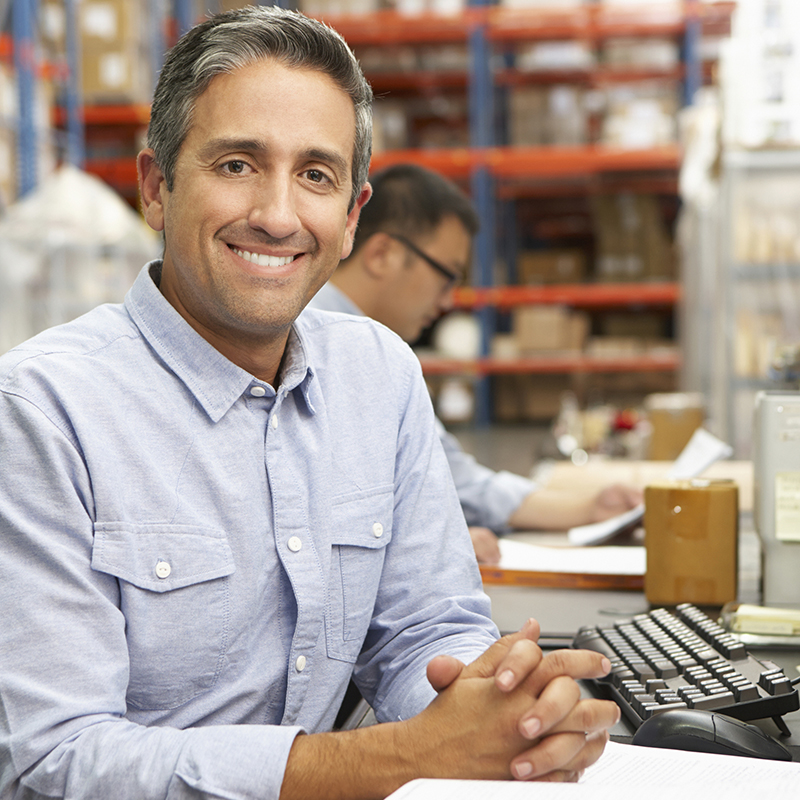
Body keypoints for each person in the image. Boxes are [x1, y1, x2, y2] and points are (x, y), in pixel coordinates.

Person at [0, 7, 619, 799]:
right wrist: (408, 757)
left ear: (354, 217)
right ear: (156, 188)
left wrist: (499, 711)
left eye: (316, 176)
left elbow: (424, 628)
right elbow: (57, 761)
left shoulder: (381, 377)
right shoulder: (44, 411)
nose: (278, 214)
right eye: (236, 165)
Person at [308, 164, 643, 564]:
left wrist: (588, 509)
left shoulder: (375, 354)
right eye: (447, 276)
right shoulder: (320, 344)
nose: (449, 301)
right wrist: (426, 542)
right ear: (382, 255)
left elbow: (452, 478)